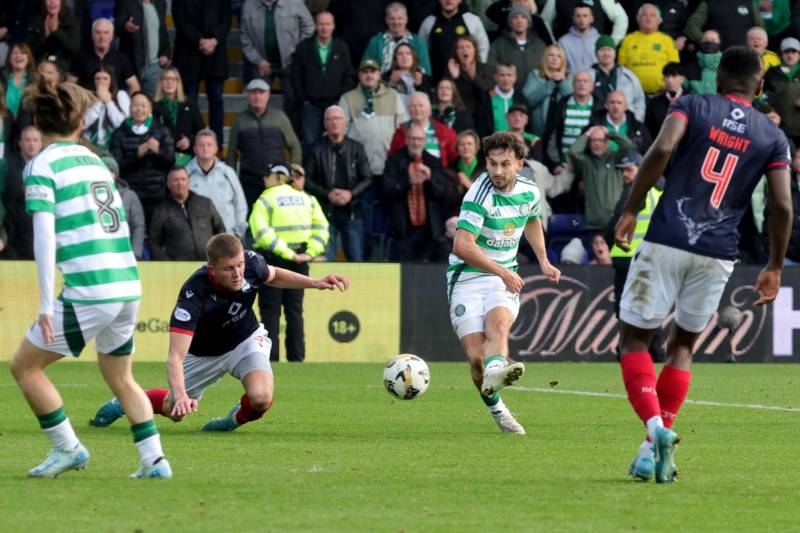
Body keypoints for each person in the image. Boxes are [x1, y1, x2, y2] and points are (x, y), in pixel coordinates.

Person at [613, 47, 792, 484]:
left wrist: (632, 208)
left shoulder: (693, 105)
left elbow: (661, 149)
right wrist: (774, 265)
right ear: (760, 85)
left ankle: (654, 430)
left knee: (634, 341)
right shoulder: (773, 137)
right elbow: (782, 205)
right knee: (684, 347)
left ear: (718, 79)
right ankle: (652, 446)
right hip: (720, 251)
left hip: (668, 237)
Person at [9, 78, 171, 479]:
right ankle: (155, 460)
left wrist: (47, 303)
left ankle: (67, 448)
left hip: (90, 287)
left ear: (37, 121)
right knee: (120, 375)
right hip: (126, 283)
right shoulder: (93, 160)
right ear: (79, 124)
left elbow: (44, 237)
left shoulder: (42, 166)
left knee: (25, 368)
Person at [90, 233, 349, 432]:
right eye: (228, 268)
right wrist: (180, 395)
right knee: (174, 410)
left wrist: (315, 283)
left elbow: (273, 275)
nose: (238, 274)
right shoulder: (193, 294)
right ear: (212, 268)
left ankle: (228, 421)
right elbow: (175, 358)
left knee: (261, 398)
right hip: (204, 355)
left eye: (239, 265)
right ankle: (122, 402)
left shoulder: (250, 264)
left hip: (245, 340)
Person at [448, 131, 560, 435]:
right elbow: (462, 246)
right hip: (467, 277)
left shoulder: (529, 190)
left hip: (502, 276)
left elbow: (533, 219)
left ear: (520, 164)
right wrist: (502, 271)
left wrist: (543, 260)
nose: (497, 171)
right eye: (492, 164)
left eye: (505, 164)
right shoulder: (478, 194)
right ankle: (497, 409)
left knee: (497, 327)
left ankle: (497, 370)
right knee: (475, 358)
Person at [249, 164, 330, 362]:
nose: (264, 179)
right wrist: (309, 253)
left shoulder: (266, 198)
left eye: (267, 175)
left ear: (277, 177)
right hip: (301, 258)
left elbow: (260, 231)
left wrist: (286, 253)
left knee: (270, 311)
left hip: (273, 260)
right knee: (295, 311)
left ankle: (269, 359)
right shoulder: (307, 198)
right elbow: (322, 228)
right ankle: (297, 359)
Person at [304, 105, 372, 262]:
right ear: (325, 124)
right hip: (324, 212)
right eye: (329, 119)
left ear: (345, 123)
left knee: (356, 259)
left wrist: (351, 194)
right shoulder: (316, 149)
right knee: (325, 260)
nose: (334, 122)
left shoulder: (356, 148)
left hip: (352, 211)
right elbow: (306, 180)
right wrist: (327, 194)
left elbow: (368, 178)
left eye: (337, 119)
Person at [226, 78, 302, 209]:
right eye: (253, 93)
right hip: (249, 182)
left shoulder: (280, 118)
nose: (257, 96)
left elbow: (295, 146)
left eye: (261, 92)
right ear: (247, 96)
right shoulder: (239, 120)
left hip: (277, 181)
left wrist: (294, 170)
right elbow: (231, 153)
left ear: (268, 95)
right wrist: (232, 180)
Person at [383, 123, 450, 262]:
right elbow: (387, 190)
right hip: (404, 230)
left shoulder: (434, 162)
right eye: (412, 138)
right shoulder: (394, 161)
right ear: (406, 140)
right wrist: (408, 181)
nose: (415, 142)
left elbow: (442, 193)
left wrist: (430, 178)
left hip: (430, 230)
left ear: (424, 141)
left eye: (419, 139)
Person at [290, 11, 355, 150]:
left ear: (333, 26)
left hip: (335, 104)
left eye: (328, 24)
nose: (324, 27)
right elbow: (296, 75)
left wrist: (342, 97)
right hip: (311, 105)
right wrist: (303, 99)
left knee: (336, 141)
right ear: (315, 26)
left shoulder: (341, 47)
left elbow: (348, 75)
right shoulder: (304, 47)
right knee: (310, 143)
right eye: (321, 24)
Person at [108, 91, 175, 225]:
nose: (139, 110)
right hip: (129, 193)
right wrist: (137, 155)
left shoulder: (162, 131)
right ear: (130, 108)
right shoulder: (119, 133)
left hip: (157, 195)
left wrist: (158, 152)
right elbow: (115, 166)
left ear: (150, 109)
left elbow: (170, 162)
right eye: (135, 106)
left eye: (143, 106)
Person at [170, 0, 231, 144]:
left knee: (216, 98)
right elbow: (180, 21)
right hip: (188, 54)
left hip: (216, 54)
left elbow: (226, 20)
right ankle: (191, 144)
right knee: (189, 102)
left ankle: (217, 145)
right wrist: (200, 40)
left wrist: (214, 40)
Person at [338, 58, 408, 178]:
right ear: (359, 75)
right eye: (365, 72)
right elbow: (340, 133)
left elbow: (403, 128)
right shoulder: (347, 98)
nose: (369, 75)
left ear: (379, 74)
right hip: (358, 168)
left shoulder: (393, 95)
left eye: (373, 71)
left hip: (388, 164)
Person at [149, 166, 226, 260]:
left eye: (183, 179)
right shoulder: (161, 210)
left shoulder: (205, 203)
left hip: (209, 264)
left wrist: (217, 254)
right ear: (168, 184)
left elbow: (220, 228)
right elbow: (153, 242)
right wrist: (168, 264)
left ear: (189, 181)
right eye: (175, 180)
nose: (180, 183)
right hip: (178, 269)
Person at [186, 129, 249, 239]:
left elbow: (240, 204)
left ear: (216, 148)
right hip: (196, 240)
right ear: (195, 149)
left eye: (209, 145)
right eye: (201, 145)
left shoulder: (228, 173)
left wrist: (238, 234)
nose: (205, 148)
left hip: (226, 237)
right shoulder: (186, 175)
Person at [569, 124, 634, 231]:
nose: (597, 143)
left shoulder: (616, 158)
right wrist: (587, 134)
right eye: (593, 140)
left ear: (607, 142)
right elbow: (574, 152)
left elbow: (628, 145)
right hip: (594, 224)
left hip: (616, 221)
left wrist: (610, 133)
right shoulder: (586, 162)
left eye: (600, 139)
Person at [419, 0, 490, 82]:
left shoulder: (472, 20)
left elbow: (483, 46)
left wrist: (478, 69)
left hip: (467, 80)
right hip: (438, 80)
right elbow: (422, 51)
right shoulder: (429, 22)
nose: (448, 0)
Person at [618, 4, 680, 95]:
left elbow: (674, 69)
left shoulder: (667, 41)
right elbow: (621, 68)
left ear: (659, 20)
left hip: (661, 94)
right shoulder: (628, 40)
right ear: (638, 19)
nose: (648, 18)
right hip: (633, 94)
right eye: (644, 15)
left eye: (652, 15)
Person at [68, 18, 140, 94]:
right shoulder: (79, 58)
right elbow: (69, 86)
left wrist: (126, 104)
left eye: (106, 32)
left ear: (112, 36)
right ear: (92, 35)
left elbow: (135, 86)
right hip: (88, 102)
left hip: (112, 102)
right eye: (98, 32)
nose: (102, 37)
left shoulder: (121, 59)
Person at [2, 125, 43, 259]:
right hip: (11, 230)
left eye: (35, 140)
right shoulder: (6, 164)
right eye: (27, 140)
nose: (31, 144)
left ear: (41, 144)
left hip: (37, 229)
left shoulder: (47, 166)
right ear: (20, 143)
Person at [114, 0, 170, 96]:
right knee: (130, 107)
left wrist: (165, 53)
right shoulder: (125, 2)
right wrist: (125, 26)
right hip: (131, 68)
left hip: (154, 68)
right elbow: (116, 26)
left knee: (154, 108)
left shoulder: (160, 3)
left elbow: (162, 31)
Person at [487, 4, 547, 94]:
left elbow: (546, 70)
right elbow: (491, 71)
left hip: (536, 97)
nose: (519, 21)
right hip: (508, 97)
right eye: (515, 17)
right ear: (510, 23)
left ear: (528, 23)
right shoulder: (498, 44)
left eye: (523, 17)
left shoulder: (540, 45)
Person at [152, 66, 205, 167]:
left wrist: (190, 141)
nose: (169, 82)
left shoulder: (190, 104)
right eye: (166, 79)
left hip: (186, 158)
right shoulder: (153, 106)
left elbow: (201, 132)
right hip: (161, 158)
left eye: (173, 79)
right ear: (160, 82)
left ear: (178, 82)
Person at [389, 92, 458, 167]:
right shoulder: (400, 133)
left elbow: (455, 161)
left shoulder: (446, 133)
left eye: (421, 106)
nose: (417, 109)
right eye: (413, 106)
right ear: (408, 110)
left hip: (438, 176)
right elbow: (391, 161)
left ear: (429, 109)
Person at [362, 2, 432, 75]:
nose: (396, 22)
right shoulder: (376, 42)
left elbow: (426, 71)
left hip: (411, 85)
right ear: (386, 20)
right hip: (382, 84)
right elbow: (365, 68)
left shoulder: (418, 42)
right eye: (392, 19)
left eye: (400, 18)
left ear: (406, 19)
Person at [523, 44, 573, 139]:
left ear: (562, 60)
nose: (554, 59)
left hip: (563, 130)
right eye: (551, 55)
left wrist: (562, 82)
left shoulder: (569, 77)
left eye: (558, 56)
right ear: (545, 58)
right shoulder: (534, 75)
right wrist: (551, 83)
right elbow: (528, 100)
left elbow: (572, 99)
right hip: (539, 131)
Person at [101, 155, 146, 261]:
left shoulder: (130, 196)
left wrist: (135, 253)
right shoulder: (90, 195)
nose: (106, 174)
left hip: (125, 254)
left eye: (110, 171)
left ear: (115, 174)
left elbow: (138, 226)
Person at [592, 34, 645, 123]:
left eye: (609, 50)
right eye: (602, 50)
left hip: (626, 125)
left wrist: (636, 123)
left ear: (615, 53)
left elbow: (639, 100)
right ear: (596, 53)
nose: (606, 53)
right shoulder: (588, 76)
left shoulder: (628, 76)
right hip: (597, 126)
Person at [447, 35, 495, 120]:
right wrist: (455, 78)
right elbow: (449, 95)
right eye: (461, 47)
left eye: (468, 47)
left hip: (483, 116)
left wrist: (474, 76)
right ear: (456, 52)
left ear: (474, 51)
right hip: (461, 115)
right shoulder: (451, 70)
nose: (465, 49)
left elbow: (487, 90)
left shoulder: (486, 69)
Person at [24, 0, 80, 74]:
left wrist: (56, 32)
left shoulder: (71, 21)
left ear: (61, 2)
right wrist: (46, 35)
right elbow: (29, 51)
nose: (52, 2)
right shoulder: (36, 21)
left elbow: (73, 49)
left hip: (63, 68)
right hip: (40, 66)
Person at [83, 65, 130, 151]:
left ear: (111, 80)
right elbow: (83, 124)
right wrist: (99, 102)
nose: (101, 82)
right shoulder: (87, 96)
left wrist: (109, 102)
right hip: (90, 146)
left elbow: (123, 126)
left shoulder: (120, 95)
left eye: (105, 78)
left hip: (114, 147)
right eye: (98, 78)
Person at [383, 43, 433, 112]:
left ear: (413, 57)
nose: (404, 56)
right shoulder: (386, 77)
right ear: (395, 59)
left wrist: (419, 85)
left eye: (408, 53)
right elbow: (382, 103)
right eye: (400, 54)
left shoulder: (423, 77)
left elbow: (429, 103)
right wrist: (392, 84)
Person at [557, 2, 601, 74]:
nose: (581, 19)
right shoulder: (563, 42)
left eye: (585, 16)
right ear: (573, 18)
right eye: (578, 16)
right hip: (571, 83)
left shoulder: (600, 40)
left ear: (592, 19)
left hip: (595, 83)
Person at [644, 62, 684, 140]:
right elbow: (648, 128)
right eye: (667, 76)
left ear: (682, 78)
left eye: (674, 76)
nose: (670, 80)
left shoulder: (691, 100)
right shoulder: (654, 103)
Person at [1, 43, 36, 119]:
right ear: (9, 59)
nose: (18, 56)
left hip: (26, 124)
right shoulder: (1, 78)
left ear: (28, 59)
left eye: (23, 53)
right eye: (15, 53)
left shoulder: (35, 81)